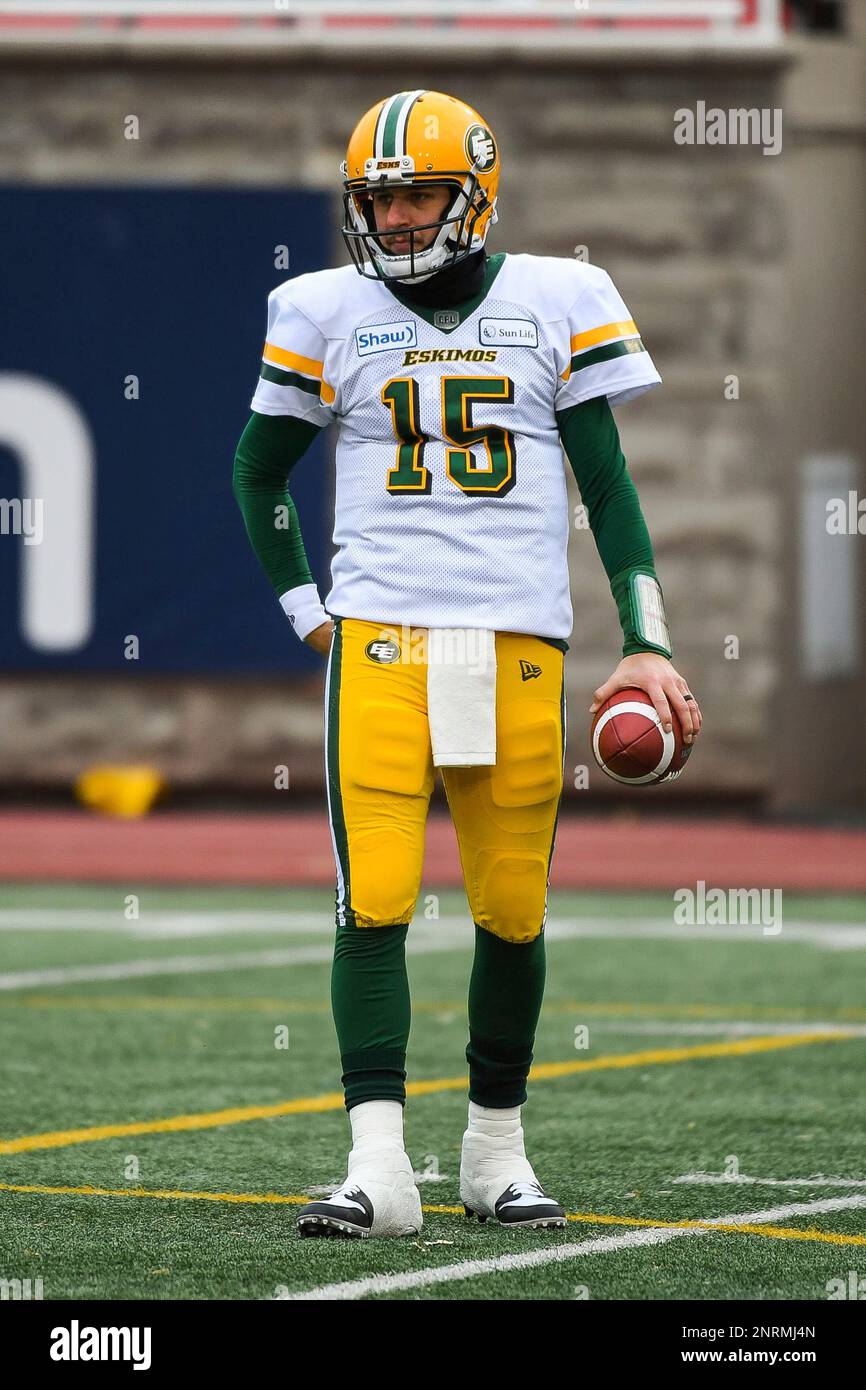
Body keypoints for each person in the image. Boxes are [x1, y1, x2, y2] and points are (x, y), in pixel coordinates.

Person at [233, 89, 702, 1240]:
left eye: (415, 197)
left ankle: (495, 1152)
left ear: (475, 197)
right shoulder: (321, 309)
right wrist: (308, 612)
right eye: (377, 201)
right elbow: (258, 469)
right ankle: (376, 1166)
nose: (393, 222)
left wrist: (646, 637)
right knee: (373, 901)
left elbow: (609, 489)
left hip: (516, 645)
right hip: (381, 643)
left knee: (508, 907)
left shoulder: (557, 299)